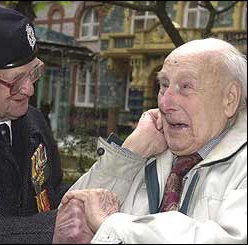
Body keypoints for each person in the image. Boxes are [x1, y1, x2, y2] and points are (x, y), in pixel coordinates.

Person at [57, 38, 247, 243]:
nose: (165, 103)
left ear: (230, 98)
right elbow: (69, 224)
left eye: (185, 86)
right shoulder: (147, 154)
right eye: (164, 85)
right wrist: (129, 154)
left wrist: (115, 226)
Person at [0, 6, 90, 243]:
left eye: (33, 73)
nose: (29, 89)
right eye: (15, 82)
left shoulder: (33, 121)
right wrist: (50, 230)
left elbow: (50, 193)